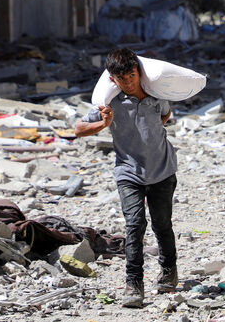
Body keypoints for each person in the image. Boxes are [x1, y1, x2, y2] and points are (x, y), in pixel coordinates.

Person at [74, 47, 179, 308]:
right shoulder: (110, 103)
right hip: (128, 173)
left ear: (138, 73)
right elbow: (78, 129)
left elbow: (165, 115)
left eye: (130, 76)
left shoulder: (156, 96)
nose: (127, 83)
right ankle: (134, 284)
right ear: (112, 79)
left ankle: (168, 271)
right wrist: (103, 124)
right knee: (134, 226)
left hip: (162, 170)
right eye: (120, 79)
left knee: (162, 224)